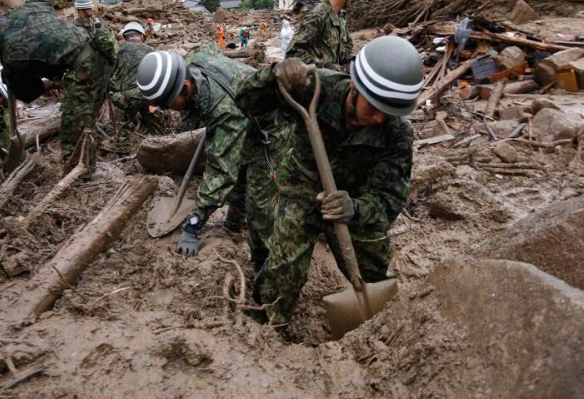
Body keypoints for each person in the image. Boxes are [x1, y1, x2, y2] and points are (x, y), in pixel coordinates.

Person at [236, 36, 423, 325]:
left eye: (387, 114)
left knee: (374, 272)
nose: (377, 119)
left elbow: (390, 199)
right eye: (372, 108)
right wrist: (273, 76)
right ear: (354, 86)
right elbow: (245, 101)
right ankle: (271, 323)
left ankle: (379, 326)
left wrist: (356, 209)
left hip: (352, 198)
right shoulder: (314, 87)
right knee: (284, 267)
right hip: (302, 184)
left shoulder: (397, 134)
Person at [136, 45, 278, 268]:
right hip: (244, 113)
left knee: (259, 202)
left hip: (271, 126)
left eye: (168, 103)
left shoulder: (223, 110)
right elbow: (209, 48)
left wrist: (195, 223)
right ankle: (233, 225)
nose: (169, 110)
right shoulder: (190, 62)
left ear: (185, 87)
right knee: (239, 173)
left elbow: (222, 171)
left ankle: (264, 264)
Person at [0, 0, 113, 177]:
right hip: (101, 51)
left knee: (74, 131)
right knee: (85, 119)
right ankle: (87, 165)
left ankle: (80, 179)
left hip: (86, 70)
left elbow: (32, 91)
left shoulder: (12, 57)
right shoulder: (18, 15)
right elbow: (43, 3)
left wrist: (11, 78)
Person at [106, 22, 165, 152]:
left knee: (123, 125)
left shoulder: (118, 50)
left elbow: (108, 73)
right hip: (149, 95)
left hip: (127, 97)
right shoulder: (150, 50)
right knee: (158, 128)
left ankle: (124, 155)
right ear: (142, 36)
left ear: (125, 36)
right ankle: (164, 149)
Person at [286, 0, 357, 70]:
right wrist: (326, 67)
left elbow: (346, 49)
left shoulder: (340, 18)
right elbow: (293, 54)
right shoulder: (317, 18)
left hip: (334, 82)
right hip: (317, 83)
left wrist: (353, 62)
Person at [74, 0, 118, 67]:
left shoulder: (94, 21)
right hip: (88, 62)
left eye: (90, 7)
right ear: (80, 10)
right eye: (88, 8)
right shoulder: (75, 27)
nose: (91, 9)